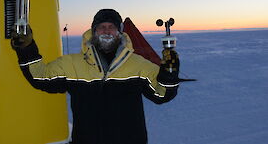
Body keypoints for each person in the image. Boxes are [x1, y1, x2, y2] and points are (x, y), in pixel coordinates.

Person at [11, 9, 180, 144]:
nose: (107, 30)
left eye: (112, 27)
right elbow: (40, 78)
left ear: (120, 32)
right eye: (101, 27)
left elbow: (162, 95)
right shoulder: (72, 64)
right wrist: (26, 49)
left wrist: (169, 75)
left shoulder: (139, 65)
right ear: (93, 32)